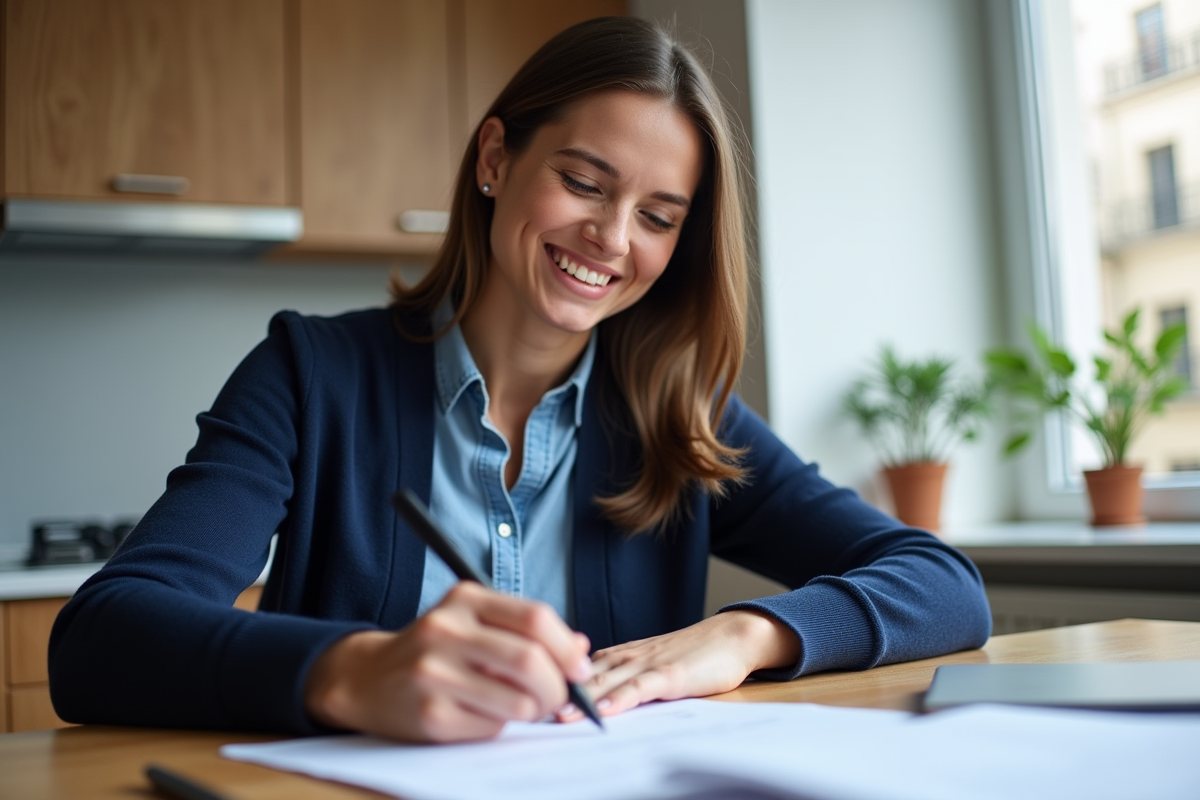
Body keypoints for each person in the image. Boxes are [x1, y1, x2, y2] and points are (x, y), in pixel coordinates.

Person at [48, 17, 990, 743]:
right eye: (584, 183)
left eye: (658, 217)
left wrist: (741, 637)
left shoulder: (681, 416)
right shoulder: (309, 375)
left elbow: (945, 586)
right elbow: (102, 639)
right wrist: (355, 671)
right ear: (497, 160)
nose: (613, 239)